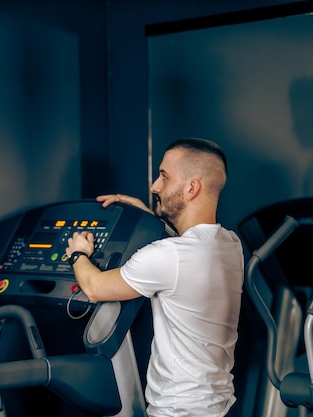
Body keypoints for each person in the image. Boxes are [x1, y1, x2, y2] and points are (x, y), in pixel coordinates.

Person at [66, 138, 244, 417]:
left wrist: (78, 254)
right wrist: (147, 216)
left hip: (178, 410)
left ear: (191, 188)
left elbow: (93, 287)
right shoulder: (231, 245)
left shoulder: (168, 256)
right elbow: (185, 253)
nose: (154, 186)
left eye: (164, 177)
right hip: (220, 407)